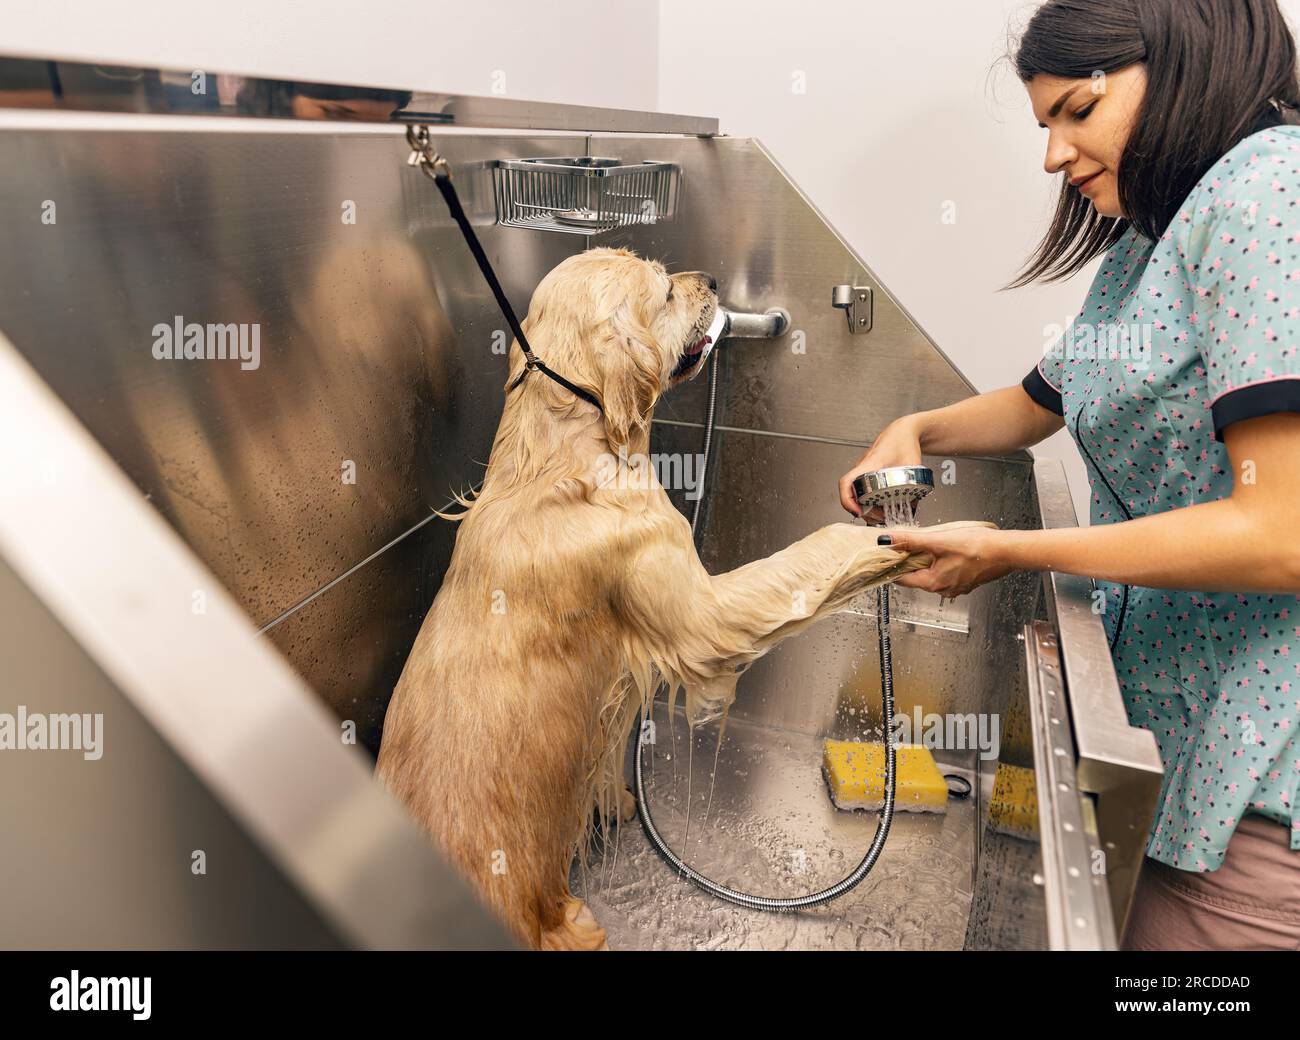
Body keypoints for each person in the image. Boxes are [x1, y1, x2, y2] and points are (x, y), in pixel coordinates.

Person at [839, 0, 1300, 950]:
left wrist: (1006, 550)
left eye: (1078, 112)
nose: (1054, 156)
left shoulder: (1268, 193)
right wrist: (917, 425)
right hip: (1168, 747)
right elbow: (1046, 398)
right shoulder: (1156, 229)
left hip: (1250, 792)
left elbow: (1281, 533)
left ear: (1185, 68)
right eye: (1046, 124)